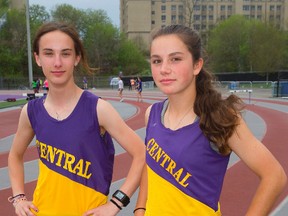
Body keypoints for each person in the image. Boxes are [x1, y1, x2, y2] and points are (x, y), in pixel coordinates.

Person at [134, 25, 287, 215]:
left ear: (197, 65)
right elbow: (151, 167)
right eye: (157, 61)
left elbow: (275, 176)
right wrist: (140, 208)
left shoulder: (220, 117)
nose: (164, 69)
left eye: (175, 59)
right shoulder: (152, 114)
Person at [8, 21, 145, 216]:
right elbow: (14, 156)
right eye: (48, 53)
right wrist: (19, 198)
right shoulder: (31, 112)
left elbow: (141, 153)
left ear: (76, 58)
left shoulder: (98, 109)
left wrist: (117, 202)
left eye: (65, 53)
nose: (57, 62)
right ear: (37, 58)